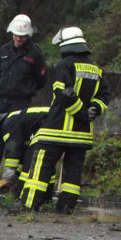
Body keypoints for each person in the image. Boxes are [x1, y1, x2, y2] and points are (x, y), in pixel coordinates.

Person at [20, 26, 110, 213]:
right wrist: (93, 110)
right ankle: (66, 207)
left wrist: (80, 112)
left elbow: (63, 93)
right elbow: (104, 97)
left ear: (65, 46)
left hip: (56, 130)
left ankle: (29, 205)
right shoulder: (97, 70)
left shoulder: (65, 65)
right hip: (81, 135)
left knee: (41, 166)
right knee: (73, 172)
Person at [0, 14, 46, 189]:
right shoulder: (4, 50)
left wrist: (26, 91)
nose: (18, 39)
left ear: (28, 35)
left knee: (16, 144)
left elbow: (41, 80)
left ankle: (15, 184)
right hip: (1, 103)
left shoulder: (35, 54)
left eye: (21, 36)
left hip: (19, 105)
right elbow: (1, 74)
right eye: (15, 35)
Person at [0, 107, 50, 199]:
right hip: (52, 121)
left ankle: (22, 196)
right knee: (30, 159)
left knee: (30, 162)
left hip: (52, 121)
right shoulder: (13, 121)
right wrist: (14, 178)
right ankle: (43, 197)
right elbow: (21, 155)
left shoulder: (8, 125)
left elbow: (13, 153)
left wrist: (6, 178)